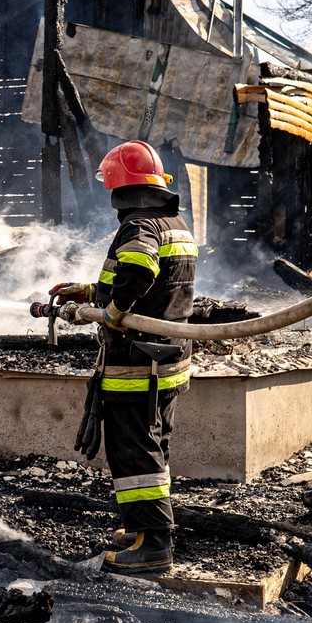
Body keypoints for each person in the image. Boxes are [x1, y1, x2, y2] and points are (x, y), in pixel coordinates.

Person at [49, 140, 197, 574]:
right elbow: (156, 289)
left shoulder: (140, 227)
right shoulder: (174, 223)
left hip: (136, 365)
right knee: (153, 447)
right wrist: (90, 293)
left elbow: (138, 272)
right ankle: (143, 526)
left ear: (119, 187)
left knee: (135, 455)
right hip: (167, 362)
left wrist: (112, 314)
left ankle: (153, 547)